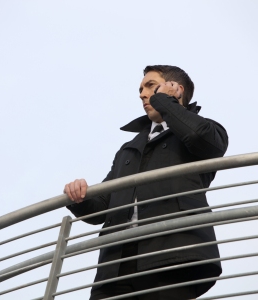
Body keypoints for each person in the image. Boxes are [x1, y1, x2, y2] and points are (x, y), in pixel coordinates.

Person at [64, 65, 229, 299]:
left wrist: (166, 103)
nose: (142, 94)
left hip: (173, 256)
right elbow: (102, 207)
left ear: (176, 89)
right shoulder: (129, 148)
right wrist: (77, 196)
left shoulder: (205, 128)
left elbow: (199, 138)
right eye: (141, 89)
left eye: (150, 86)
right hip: (116, 266)